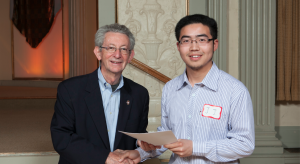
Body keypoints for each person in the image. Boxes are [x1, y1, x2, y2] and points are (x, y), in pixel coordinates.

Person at [118, 14, 255, 164]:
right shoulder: (171, 88)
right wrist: (141, 153)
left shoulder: (235, 90)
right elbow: (167, 137)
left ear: (214, 44)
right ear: (178, 46)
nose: (194, 47)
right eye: (186, 41)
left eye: (202, 40)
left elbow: (245, 144)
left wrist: (196, 147)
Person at [50, 23, 149, 164]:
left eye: (123, 49)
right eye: (111, 48)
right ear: (98, 53)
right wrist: (105, 157)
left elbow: (137, 136)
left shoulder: (140, 94)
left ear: (130, 56)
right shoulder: (70, 89)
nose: (117, 55)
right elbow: (62, 138)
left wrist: (143, 145)